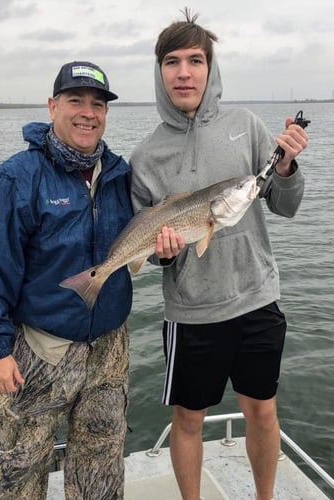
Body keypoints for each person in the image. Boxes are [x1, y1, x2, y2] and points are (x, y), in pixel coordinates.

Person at [0, 60, 177, 500]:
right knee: (22, 471)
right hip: (41, 349)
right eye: (75, 101)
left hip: (110, 349)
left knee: (101, 466)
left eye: (98, 104)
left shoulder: (119, 175)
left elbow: (138, 248)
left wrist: (166, 253)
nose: (87, 113)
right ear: (52, 105)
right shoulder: (16, 178)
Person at [130, 9, 309, 500]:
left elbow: (285, 206)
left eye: (195, 60)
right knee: (188, 419)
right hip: (191, 312)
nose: (183, 72)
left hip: (256, 299)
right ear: (159, 71)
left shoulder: (246, 125)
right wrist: (164, 254)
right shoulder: (145, 158)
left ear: (210, 69)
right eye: (172, 61)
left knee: (263, 411)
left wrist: (288, 166)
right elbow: (155, 253)